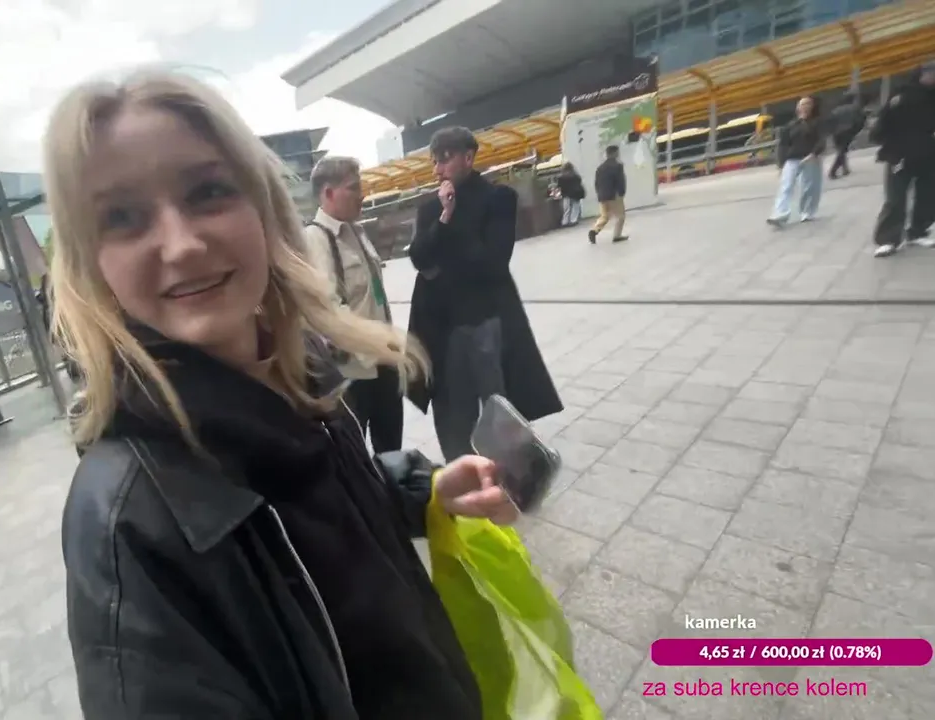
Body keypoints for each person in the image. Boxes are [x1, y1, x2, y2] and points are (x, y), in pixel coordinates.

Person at [46, 71, 523, 720]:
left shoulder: (300, 374)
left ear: (264, 209)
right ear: (91, 261)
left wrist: (423, 492)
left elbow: (310, 517)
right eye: (122, 218)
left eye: (208, 191)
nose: (182, 245)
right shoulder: (124, 526)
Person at [406, 126, 562, 461]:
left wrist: (448, 238)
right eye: (434, 161)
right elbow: (419, 257)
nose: (437, 169)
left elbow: (493, 263)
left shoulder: (498, 199)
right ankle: (462, 471)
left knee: (499, 407)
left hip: (487, 322)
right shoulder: (431, 208)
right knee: (452, 412)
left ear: (468, 157)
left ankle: (511, 472)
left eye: (444, 159)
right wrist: (445, 217)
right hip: (443, 329)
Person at [302, 155, 403, 453]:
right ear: (328, 193)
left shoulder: (356, 231)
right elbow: (328, 307)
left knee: (392, 452)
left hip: (383, 362)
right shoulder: (315, 239)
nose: (362, 195)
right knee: (355, 455)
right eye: (353, 187)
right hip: (353, 373)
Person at [871, 60, 935, 258]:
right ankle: (888, 239)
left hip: (933, 154)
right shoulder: (901, 95)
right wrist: (888, 146)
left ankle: (918, 231)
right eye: (933, 73)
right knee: (895, 199)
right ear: (921, 74)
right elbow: (883, 125)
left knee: (931, 197)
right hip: (901, 155)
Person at [768, 95, 827, 227]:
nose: (805, 107)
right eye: (802, 104)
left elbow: (822, 140)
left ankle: (807, 212)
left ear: (812, 107)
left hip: (811, 158)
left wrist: (814, 153)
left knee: (810, 187)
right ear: (797, 108)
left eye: (808, 104)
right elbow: (783, 145)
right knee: (786, 186)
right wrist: (780, 164)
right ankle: (780, 213)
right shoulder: (790, 126)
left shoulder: (817, 123)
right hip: (792, 159)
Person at [589, 146, 628, 243]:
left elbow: (596, 183)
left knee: (605, 216)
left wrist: (599, 193)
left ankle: (594, 230)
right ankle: (617, 235)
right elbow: (620, 181)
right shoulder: (617, 166)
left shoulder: (600, 168)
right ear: (615, 153)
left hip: (602, 195)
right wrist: (622, 192)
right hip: (614, 195)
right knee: (620, 216)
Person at [828, 91, 867, 179]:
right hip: (848, 131)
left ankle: (845, 169)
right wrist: (856, 131)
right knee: (842, 151)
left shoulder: (836, 110)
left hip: (836, 133)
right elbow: (861, 120)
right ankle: (832, 171)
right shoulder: (855, 108)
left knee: (841, 150)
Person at [555, 162, 586, 226]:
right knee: (575, 207)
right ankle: (573, 220)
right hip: (576, 194)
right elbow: (579, 184)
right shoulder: (576, 176)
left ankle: (565, 222)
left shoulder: (561, 177)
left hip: (566, 194)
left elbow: (559, 186)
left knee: (566, 209)